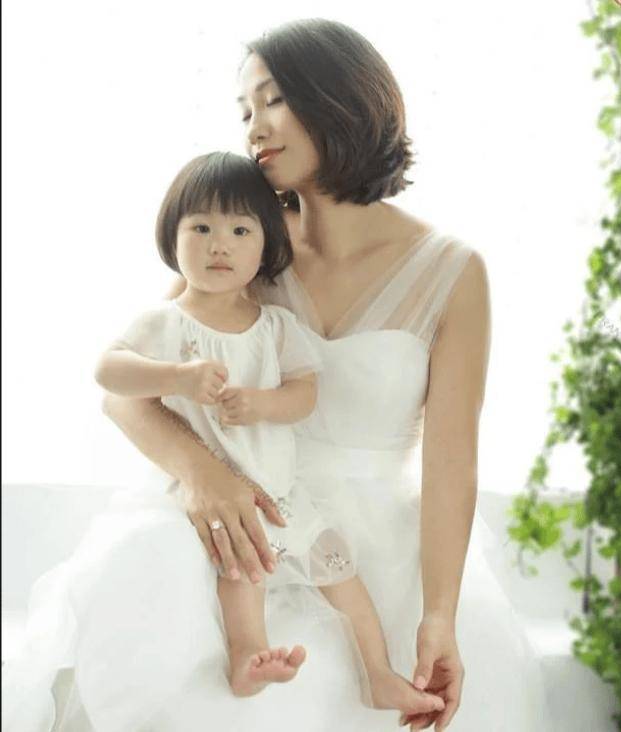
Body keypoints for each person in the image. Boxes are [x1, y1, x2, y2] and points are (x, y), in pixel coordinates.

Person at [2, 18, 554, 732]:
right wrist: (203, 475)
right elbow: (126, 393)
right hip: (242, 522)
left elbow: (451, 460)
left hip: (377, 553)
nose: (254, 128)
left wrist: (439, 615)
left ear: (341, 97)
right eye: (244, 111)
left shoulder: (453, 270)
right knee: (165, 615)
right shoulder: (244, 246)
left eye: (272, 100)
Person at [92, 150, 444, 713]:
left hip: (283, 490)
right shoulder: (168, 322)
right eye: (200, 228)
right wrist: (176, 377)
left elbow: (305, 393)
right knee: (242, 570)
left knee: (342, 571)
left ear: (265, 246)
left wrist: (262, 404)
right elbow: (109, 372)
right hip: (223, 493)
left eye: (240, 231)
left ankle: (378, 673)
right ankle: (248, 655)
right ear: (171, 237)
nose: (219, 245)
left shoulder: (275, 325)